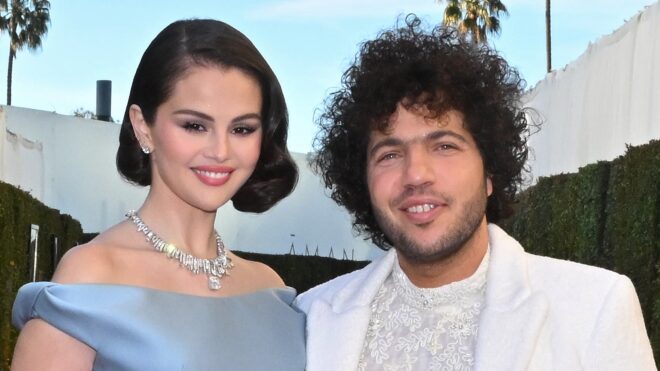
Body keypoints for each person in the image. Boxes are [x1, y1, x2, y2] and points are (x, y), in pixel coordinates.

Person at [295, 15, 655, 371]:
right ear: (363, 182)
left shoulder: (595, 308)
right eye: (389, 154)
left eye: (445, 146)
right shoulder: (311, 315)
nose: (416, 174)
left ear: (490, 171)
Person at [11, 19, 305, 370]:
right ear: (142, 126)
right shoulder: (90, 276)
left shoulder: (270, 289)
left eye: (242, 129)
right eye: (195, 125)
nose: (221, 150)